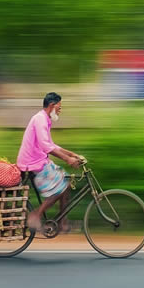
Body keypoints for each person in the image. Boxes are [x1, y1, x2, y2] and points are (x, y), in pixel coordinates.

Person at [16, 92, 83, 232]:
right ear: (52, 105)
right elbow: (46, 146)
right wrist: (68, 159)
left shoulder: (45, 119)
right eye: (59, 106)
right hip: (33, 163)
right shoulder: (40, 119)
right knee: (62, 187)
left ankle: (63, 223)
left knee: (66, 183)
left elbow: (51, 144)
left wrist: (71, 154)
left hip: (40, 161)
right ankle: (35, 215)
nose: (60, 109)